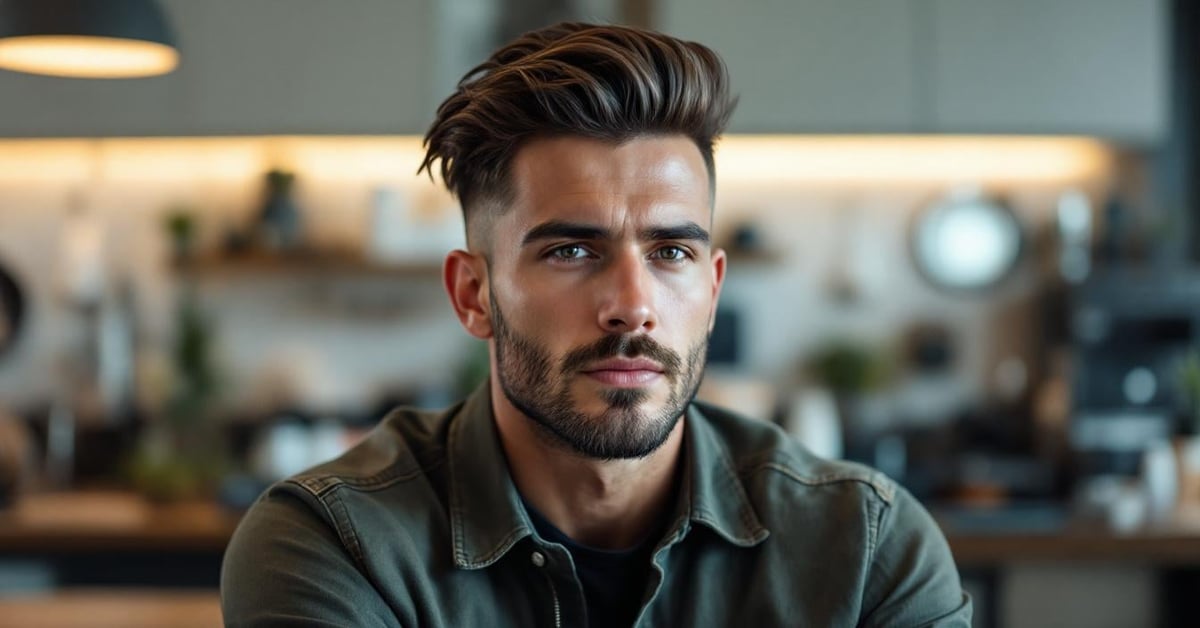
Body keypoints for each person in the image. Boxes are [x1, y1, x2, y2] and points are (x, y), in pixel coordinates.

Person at [221, 22, 972, 627]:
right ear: (474, 294)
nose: (632, 304)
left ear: (711, 291)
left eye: (671, 250)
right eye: (572, 249)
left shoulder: (867, 548)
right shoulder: (335, 546)